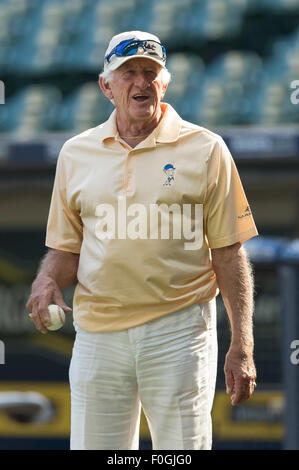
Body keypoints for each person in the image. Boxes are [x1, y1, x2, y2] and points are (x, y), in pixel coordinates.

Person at [26, 30, 258, 450]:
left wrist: (242, 345)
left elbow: (229, 253)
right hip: (98, 335)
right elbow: (66, 249)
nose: (140, 82)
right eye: (127, 72)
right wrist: (47, 281)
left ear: (164, 83)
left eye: (150, 72)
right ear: (106, 86)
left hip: (179, 331)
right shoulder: (76, 153)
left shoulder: (206, 149)